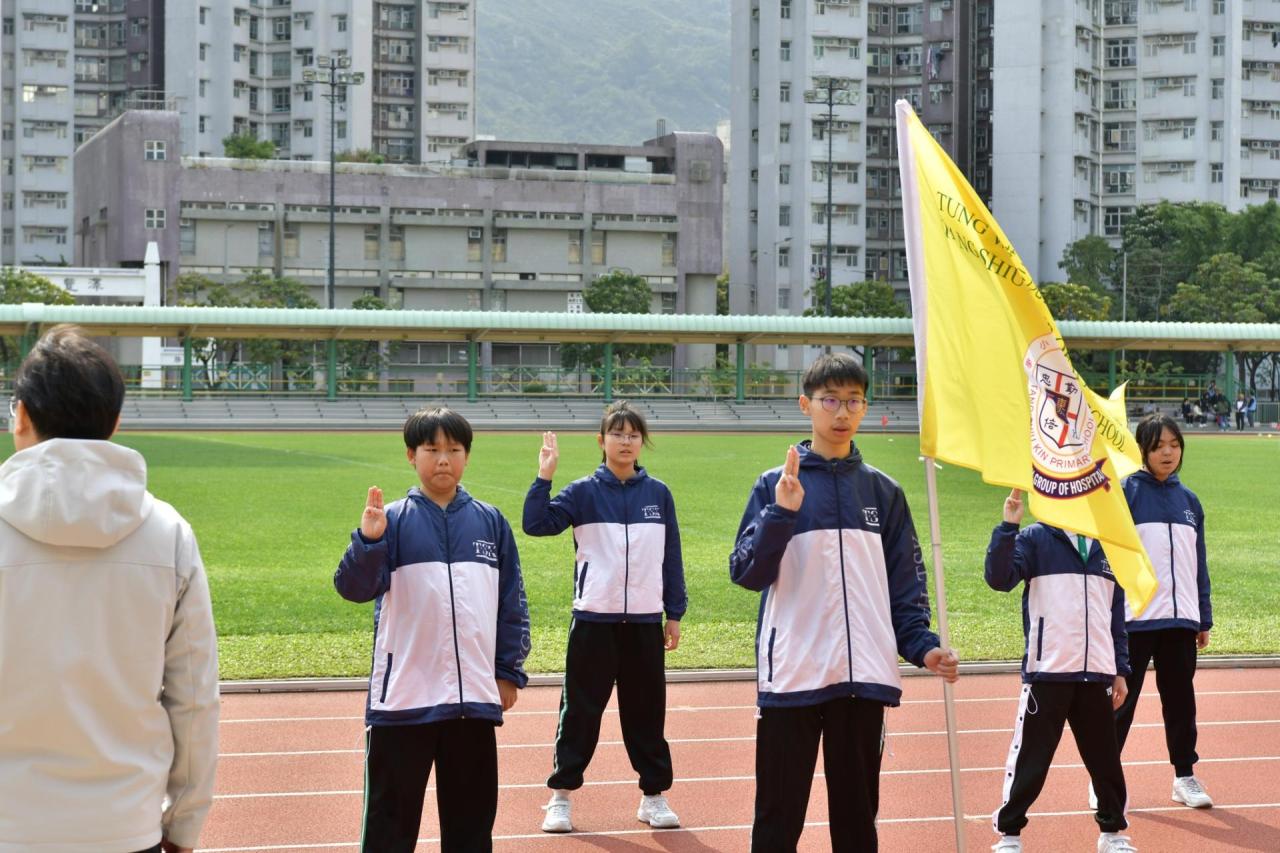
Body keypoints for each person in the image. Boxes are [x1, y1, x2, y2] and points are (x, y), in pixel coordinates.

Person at [0, 325, 219, 853]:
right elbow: (194, 699)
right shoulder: (168, 533)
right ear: (115, 421)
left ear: (21, 415)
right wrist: (185, 822)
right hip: (124, 824)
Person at [729, 353, 959, 852]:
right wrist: (781, 514)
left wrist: (923, 647)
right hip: (793, 674)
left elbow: (905, 586)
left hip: (862, 680)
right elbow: (747, 573)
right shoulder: (774, 485)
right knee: (777, 818)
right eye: (830, 400)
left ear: (865, 408)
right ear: (806, 405)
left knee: (857, 821)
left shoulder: (884, 492)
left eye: (853, 401)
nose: (842, 412)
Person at [334, 407, 530, 853]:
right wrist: (369, 542)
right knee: (389, 826)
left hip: (472, 702)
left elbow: (512, 603)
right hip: (404, 701)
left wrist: (507, 671)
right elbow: (353, 589)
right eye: (432, 449)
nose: (444, 459)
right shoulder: (392, 520)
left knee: (470, 827)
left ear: (467, 456)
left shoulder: (491, 522)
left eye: (454, 450)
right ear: (411, 455)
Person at [524, 401, 687, 833]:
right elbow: (535, 523)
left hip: (645, 624)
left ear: (642, 442)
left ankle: (653, 796)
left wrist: (674, 613)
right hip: (594, 621)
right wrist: (544, 475)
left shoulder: (659, 494)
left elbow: (671, 556)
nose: (625, 442)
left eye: (633, 435)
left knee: (647, 714)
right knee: (580, 713)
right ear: (602, 440)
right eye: (617, 434)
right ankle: (560, 797)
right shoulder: (583, 492)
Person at [986, 489, 1136, 853]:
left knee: (1105, 761)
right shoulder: (1035, 538)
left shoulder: (1108, 546)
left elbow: (1115, 615)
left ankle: (1112, 833)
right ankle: (1009, 835)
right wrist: (1008, 526)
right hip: (1048, 673)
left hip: (1097, 674)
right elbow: (999, 578)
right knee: (1031, 759)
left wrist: (1120, 669)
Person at [1114, 414, 1214, 809]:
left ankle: (1184, 777)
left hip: (1180, 621)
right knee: (1120, 702)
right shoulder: (1124, 495)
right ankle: (1104, 777)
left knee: (1181, 704)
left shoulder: (1190, 502)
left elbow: (1197, 564)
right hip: (1134, 620)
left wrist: (1202, 616)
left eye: (1174, 445)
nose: (1168, 453)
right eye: (1158, 446)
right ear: (1142, 450)